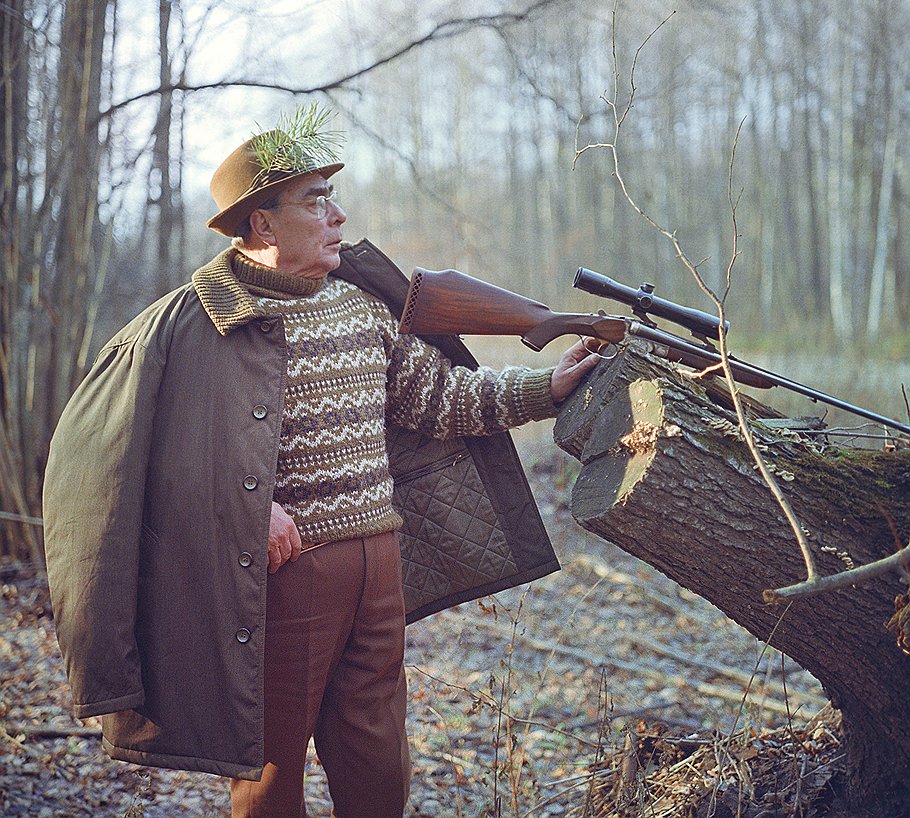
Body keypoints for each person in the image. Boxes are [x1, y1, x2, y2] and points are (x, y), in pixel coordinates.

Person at [43, 105, 599, 818]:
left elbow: (441, 400)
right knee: (272, 770)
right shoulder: (193, 327)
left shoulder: (359, 309)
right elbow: (123, 471)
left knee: (377, 760)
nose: (337, 215)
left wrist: (546, 388)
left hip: (379, 563)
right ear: (263, 225)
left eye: (333, 197)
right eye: (316, 200)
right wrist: (247, 515)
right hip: (280, 577)